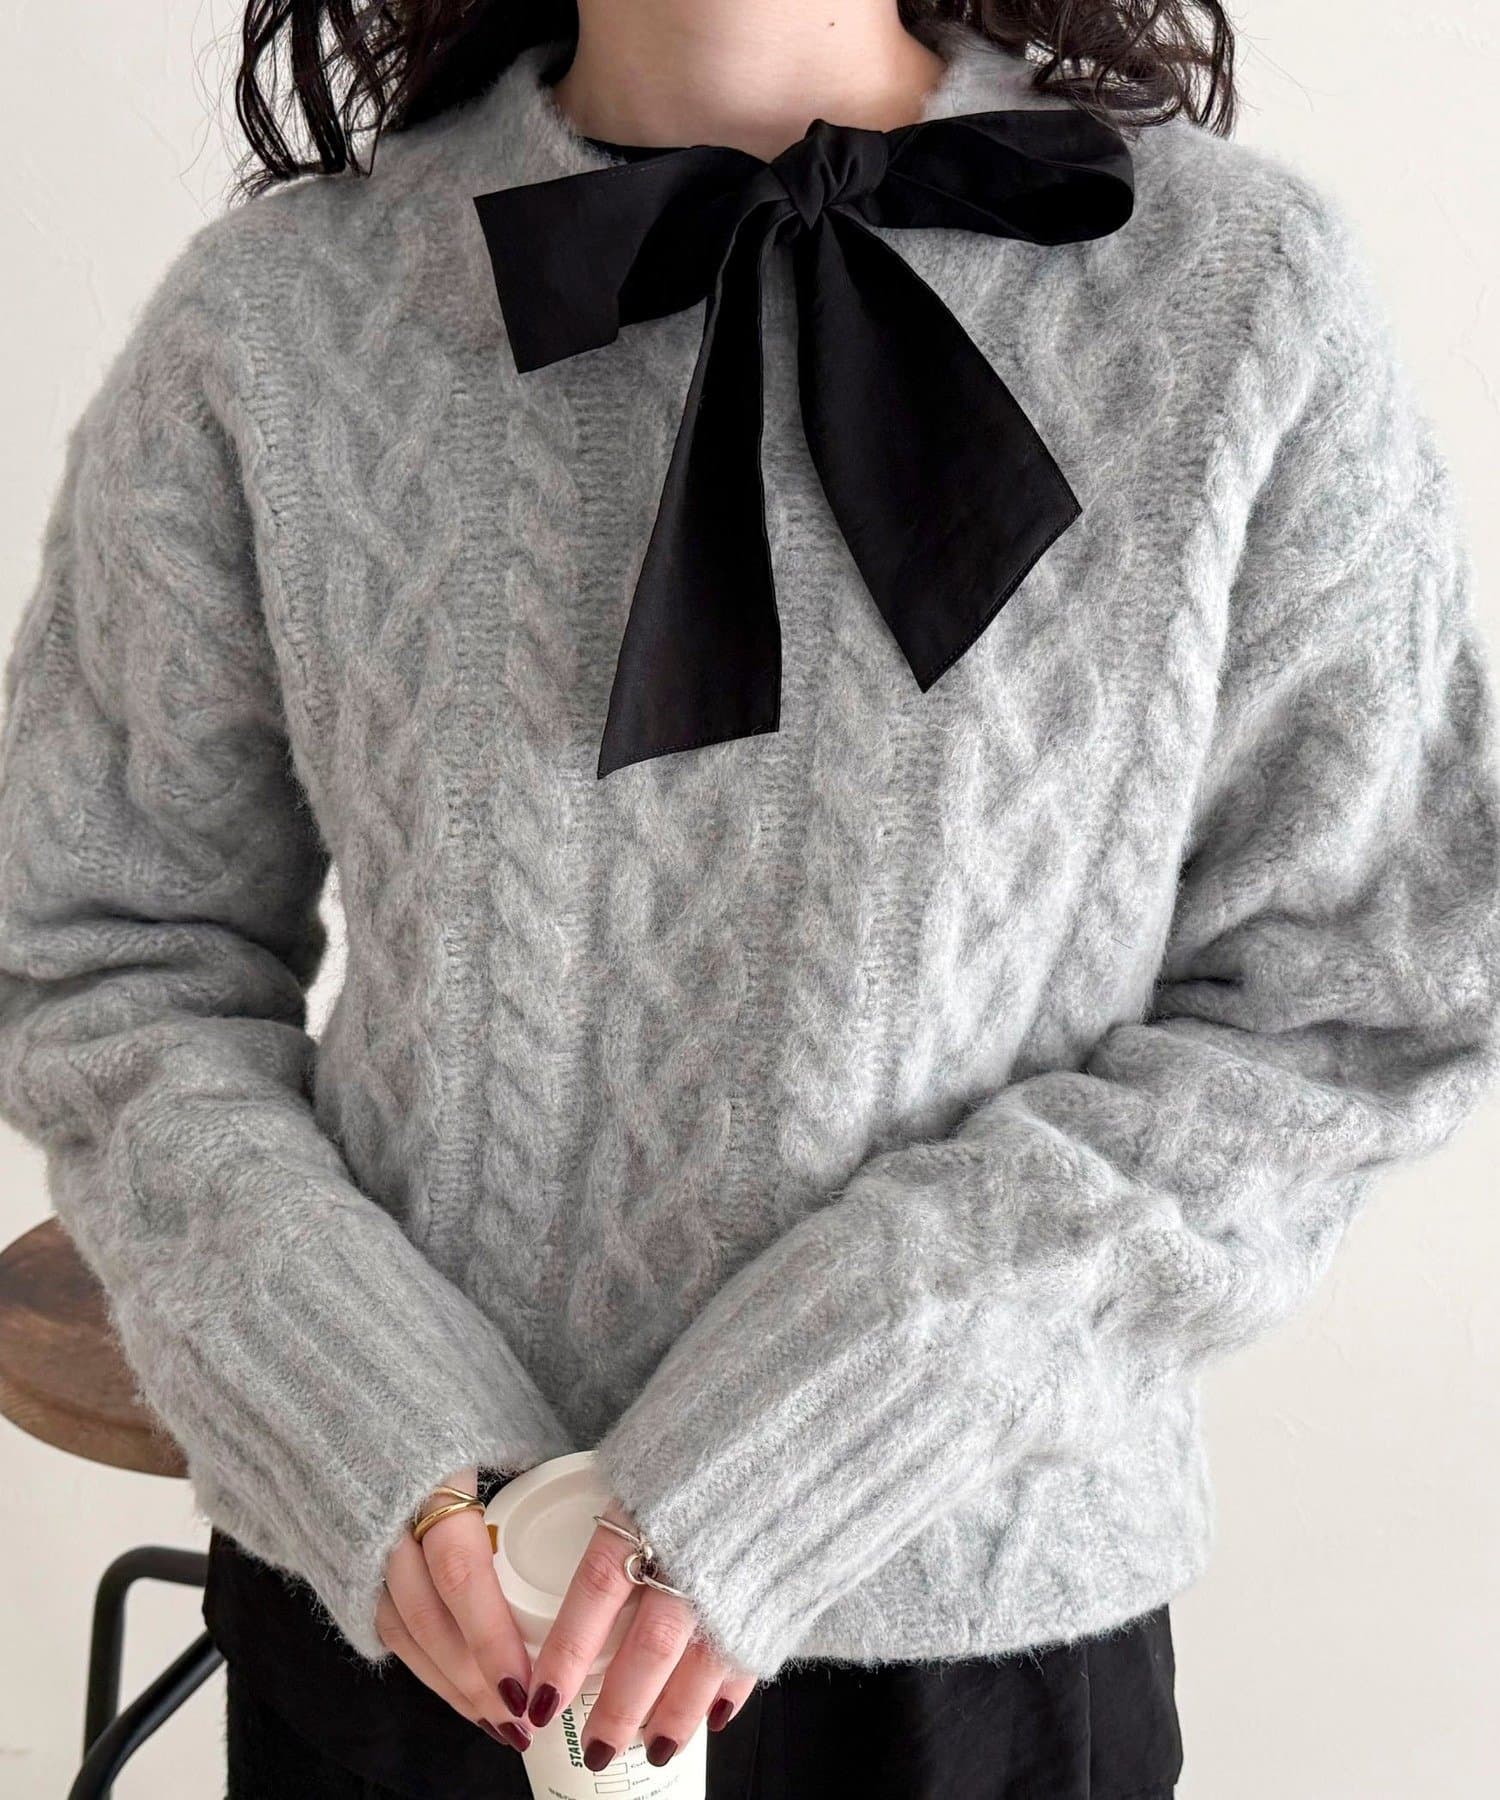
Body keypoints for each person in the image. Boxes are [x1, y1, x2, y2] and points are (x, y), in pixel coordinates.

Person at [2, 2, 1496, 1796]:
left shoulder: (1231, 300)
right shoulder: (277, 324)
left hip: (973, 1644)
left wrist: (872, 1394)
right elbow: (100, 957)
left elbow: (1362, 994)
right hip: (429, 1621)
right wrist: (352, 1406)